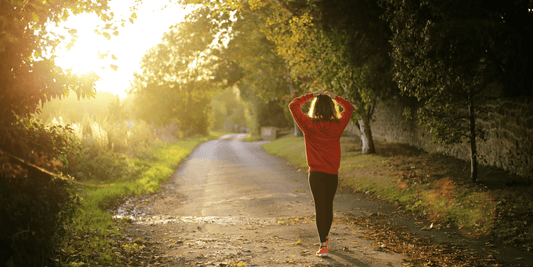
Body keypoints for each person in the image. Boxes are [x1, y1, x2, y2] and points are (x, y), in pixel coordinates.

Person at [288, 90, 354, 257]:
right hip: (332, 173)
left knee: (320, 207)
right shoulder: (338, 125)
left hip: (316, 174)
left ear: (315, 108)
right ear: (332, 108)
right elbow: (349, 107)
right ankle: (325, 237)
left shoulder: (308, 125)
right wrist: (335, 97)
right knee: (328, 206)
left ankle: (323, 244)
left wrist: (311, 95)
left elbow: (293, 105)